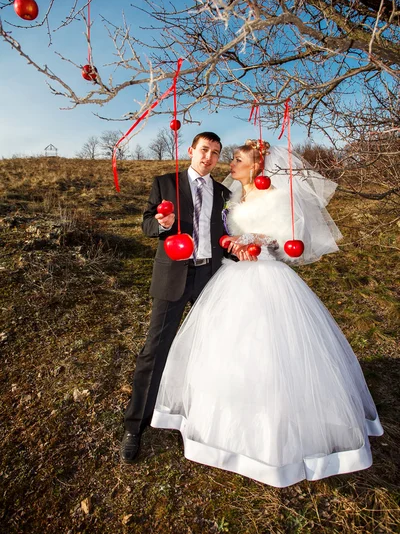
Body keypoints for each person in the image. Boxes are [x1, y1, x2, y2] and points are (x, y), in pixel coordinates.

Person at [150, 139, 383, 487]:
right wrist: (232, 243)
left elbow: (287, 239)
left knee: (273, 354)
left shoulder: (275, 195)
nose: (231, 163)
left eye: (239, 159)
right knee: (231, 353)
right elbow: (221, 234)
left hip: (267, 277)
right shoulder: (232, 196)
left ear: (258, 166)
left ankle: (278, 436)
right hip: (233, 277)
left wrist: (254, 241)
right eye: (230, 158)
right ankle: (231, 429)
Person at [120, 132, 231, 463]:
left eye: (215, 153)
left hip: (210, 278)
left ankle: (197, 418)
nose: (208, 157)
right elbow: (145, 224)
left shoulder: (224, 193)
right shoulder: (165, 183)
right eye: (203, 150)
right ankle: (134, 426)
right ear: (191, 151)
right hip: (172, 277)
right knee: (155, 350)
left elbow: (225, 234)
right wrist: (161, 224)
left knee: (207, 350)